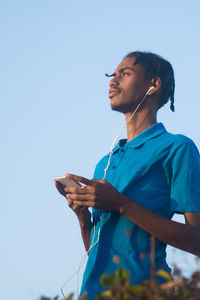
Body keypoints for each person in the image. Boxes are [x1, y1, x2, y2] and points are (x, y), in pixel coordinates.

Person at [55, 51, 200, 299]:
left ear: (153, 85)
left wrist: (120, 203)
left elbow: (196, 240)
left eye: (125, 73)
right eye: (113, 75)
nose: (112, 81)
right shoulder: (105, 162)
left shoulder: (176, 148)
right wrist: (83, 216)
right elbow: (102, 251)